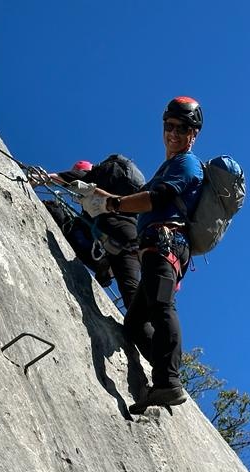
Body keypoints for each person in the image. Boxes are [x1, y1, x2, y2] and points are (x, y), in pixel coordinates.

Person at [80, 97, 205, 412]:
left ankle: (169, 383)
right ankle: (163, 377)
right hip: (153, 249)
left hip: (167, 247)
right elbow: (138, 199)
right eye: (169, 126)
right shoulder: (169, 166)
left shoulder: (187, 164)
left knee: (163, 307)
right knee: (135, 324)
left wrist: (112, 204)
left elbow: (155, 198)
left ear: (194, 134)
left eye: (182, 128)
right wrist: (102, 196)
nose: (173, 133)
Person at [41, 155, 145, 309]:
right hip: (129, 234)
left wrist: (42, 178)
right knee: (130, 288)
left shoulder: (101, 173)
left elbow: (78, 178)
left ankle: (103, 264)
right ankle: (106, 266)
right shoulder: (124, 183)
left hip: (110, 229)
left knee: (72, 226)